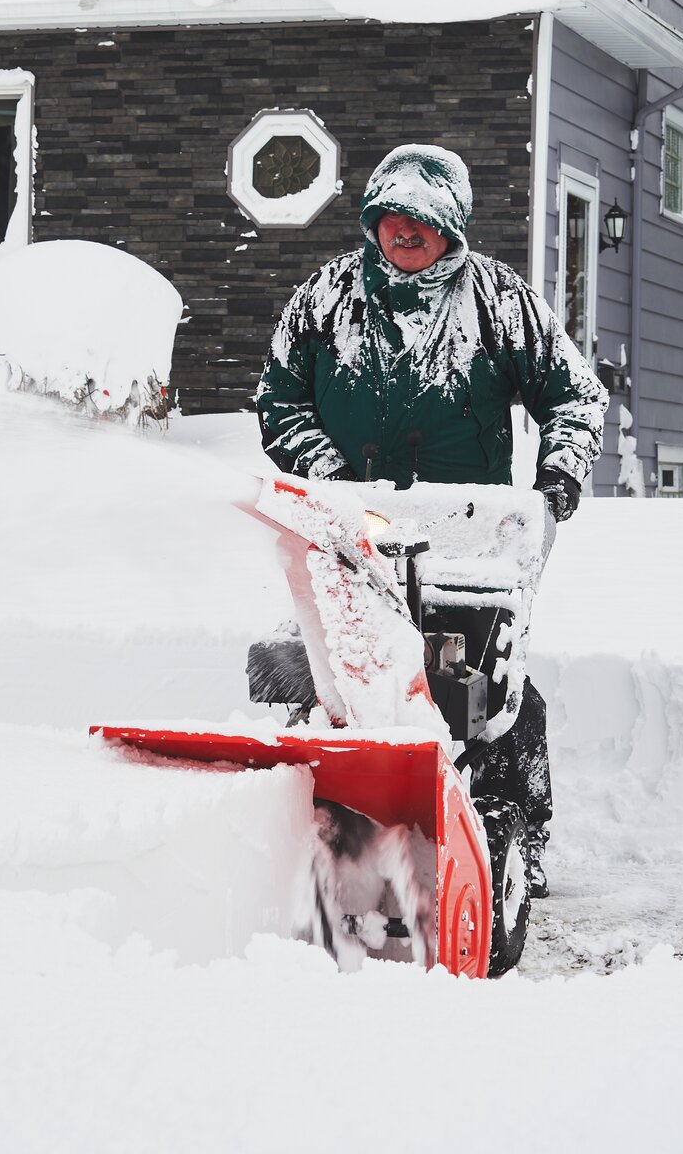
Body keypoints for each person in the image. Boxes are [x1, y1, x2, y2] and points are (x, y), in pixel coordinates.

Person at [256, 144, 609, 896]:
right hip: (348, 535)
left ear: (451, 226)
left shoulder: (500, 301)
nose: (404, 232)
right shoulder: (326, 298)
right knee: (305, 670)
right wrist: (328, 474)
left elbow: (577, 397)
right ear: (372, 221)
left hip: (468, 542)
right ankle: (288, 823)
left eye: (422, 219)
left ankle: (515, 840)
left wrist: (554, 484)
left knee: (489, 694)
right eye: (391, 217)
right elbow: (279, 397)